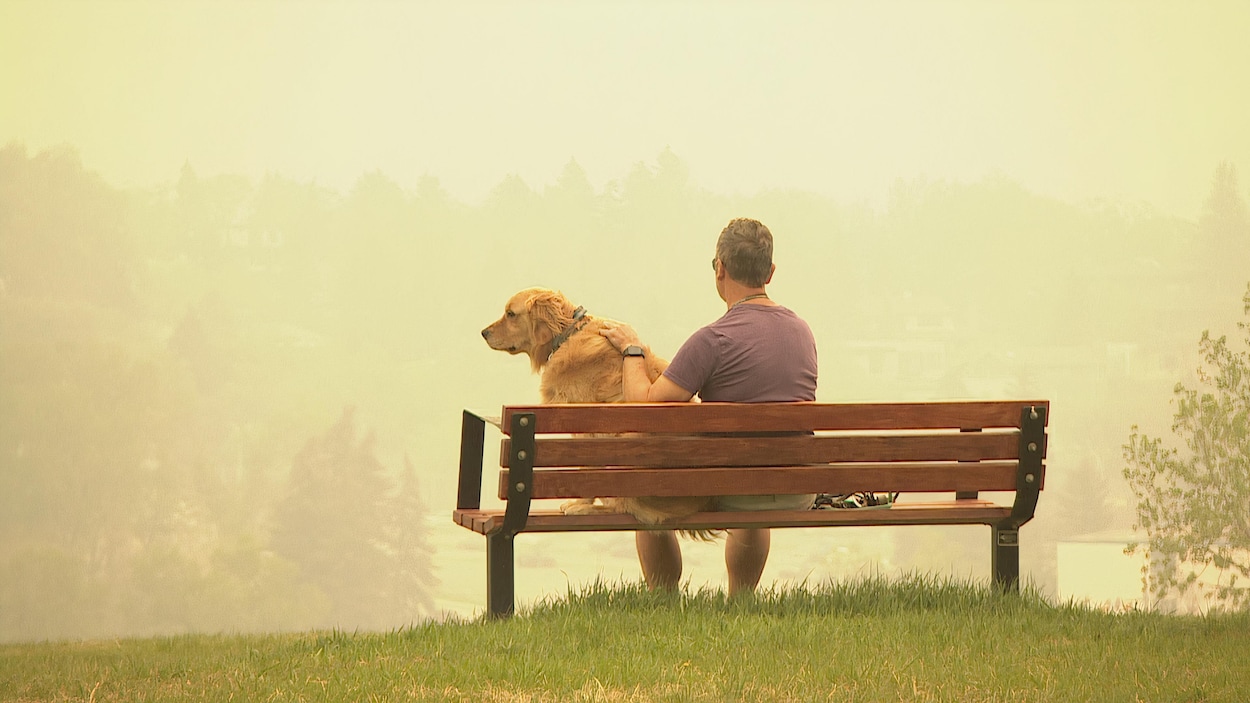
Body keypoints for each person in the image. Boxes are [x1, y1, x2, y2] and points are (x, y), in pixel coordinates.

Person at [599, 217, 818, 596]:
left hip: (731, 486)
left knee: (644, 491)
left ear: (720, 268)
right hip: (796, 485)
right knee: (757, 477)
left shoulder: (713, 339)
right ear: (770, 271)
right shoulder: (802, 332)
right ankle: (742, 599)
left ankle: (663, 599)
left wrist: (632, 349)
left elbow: (646, 407)